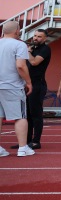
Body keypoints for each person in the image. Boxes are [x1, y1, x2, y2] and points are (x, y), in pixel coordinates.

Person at [0, 21, 35, 157]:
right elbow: (20, 65)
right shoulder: (19, 45)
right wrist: (29, 82)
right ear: (16, 31)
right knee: (20, 116)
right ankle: (22, 147)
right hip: (12, 85)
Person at [25, 29, 51, 150]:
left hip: (38, 85)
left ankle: (36, 141)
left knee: (36, 114)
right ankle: (26, 141)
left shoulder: (45, 49)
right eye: (35, 36)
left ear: (45, 38)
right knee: (27, 115)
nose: (36, 38)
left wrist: (27, 52)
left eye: (39, 36)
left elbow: (35, 62)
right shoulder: (32, 49)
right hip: (27, 84)